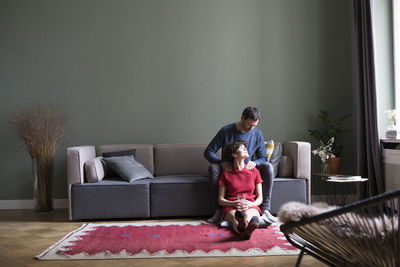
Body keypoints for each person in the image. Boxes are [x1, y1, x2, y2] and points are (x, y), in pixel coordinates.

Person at [204, 107, 277, 226]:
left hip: (248, 168)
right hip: (229, 168)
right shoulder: (225, 131)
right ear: (242, 118)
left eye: (254, 126)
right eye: (249, 125)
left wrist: (256, 163)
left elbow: (263, 157)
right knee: (213, 168)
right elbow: (208, 152)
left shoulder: (257, 133)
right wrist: (221, 162)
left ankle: (265, 209)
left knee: (268, 167)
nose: (251, 128)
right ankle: (218, 211)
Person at [218, 140, 262, 239]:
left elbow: (260, 198)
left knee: (248, 216)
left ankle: (245, 229)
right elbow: (220, 200)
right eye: (242, 148)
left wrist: (250, 204)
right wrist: (233, 204)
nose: (245, 149)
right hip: (231, 205)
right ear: (234, 154)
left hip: (251, 205)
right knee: (236, 219)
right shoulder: (226, 173)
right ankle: (246, 231)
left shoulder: (254, 171)